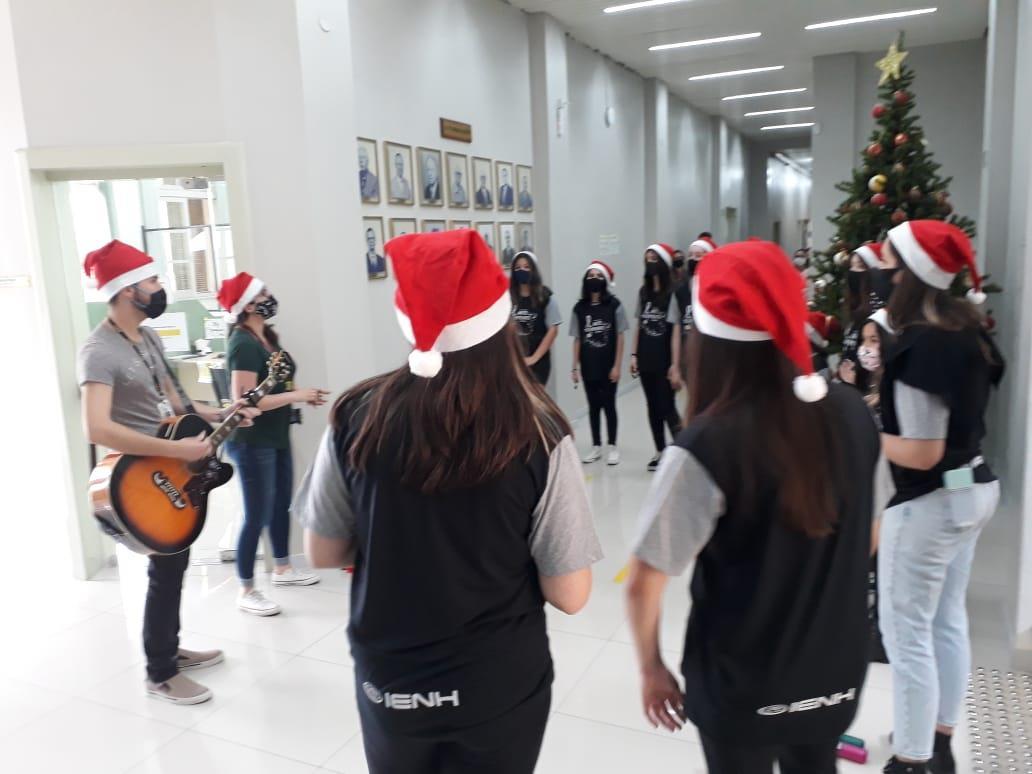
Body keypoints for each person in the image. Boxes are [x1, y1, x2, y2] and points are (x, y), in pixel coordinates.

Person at [296, 229, 602, 774]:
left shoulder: (355, 415)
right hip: (498, 685)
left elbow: (321, 549)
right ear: (502, 321)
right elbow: (570, 593)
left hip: (391, 684)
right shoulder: (540, 432)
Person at [626, 239, 892, 774]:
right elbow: (870, 534)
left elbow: (644, 582)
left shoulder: (705, 445)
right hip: (834, 675)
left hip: (740, 686)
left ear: (709, 339)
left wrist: (651, 668)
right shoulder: (854, 414)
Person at [78, 240, 260, 705]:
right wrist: (171, 447)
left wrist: (224, 412)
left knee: (172, 567)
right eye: (153, 281)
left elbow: (178, 406)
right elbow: (96, 426)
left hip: (170, 468)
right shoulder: (98, 350)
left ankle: (168, 650)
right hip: (139, 480)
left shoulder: (151, 338)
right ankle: (160, 673)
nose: (161, 288)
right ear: (125, 289)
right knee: (166, 569)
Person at [876, 221, 1004, 774]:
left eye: (892, 265)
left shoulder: (920, 345)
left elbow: (922, 451)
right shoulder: (965, 329)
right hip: (974, 488)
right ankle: (940, 737)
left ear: (910, 275)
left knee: (907, 635)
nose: (885, 275)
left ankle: (912, 760)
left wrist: (862, 432)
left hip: (932, 501)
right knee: (947, 620)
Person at [217, 272, 329, 616]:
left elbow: (274, 387)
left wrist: (295, 398)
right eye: (262, 293)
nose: (269, 296)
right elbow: (243, 401)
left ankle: (282, 568)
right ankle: (246, 588)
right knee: (256, 514)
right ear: (247, 304)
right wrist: (298, 395)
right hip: (252, 440)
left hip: (276, 434)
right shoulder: (243, 344)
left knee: (281, 502)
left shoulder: (266, 338)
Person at [571, 260, 627, 466]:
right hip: (588, 366)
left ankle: (612, 445)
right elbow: (577, 338)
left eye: (598, 276)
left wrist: (617, 366)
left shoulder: (614, 306)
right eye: (590, 276)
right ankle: (596, 445)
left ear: (604, 280)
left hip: (608, 365)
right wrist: (574, 366)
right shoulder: (579, 308)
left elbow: (620, 336)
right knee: (593, 406)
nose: (593, 279)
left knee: (609, 405)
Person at [632, 243, 682, 471]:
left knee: (667, 406)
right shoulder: (643, 293)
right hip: (645, 357)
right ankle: (660, 450)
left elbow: (675, 332)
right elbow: (639, 325)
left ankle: (682, 451)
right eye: (647, 258)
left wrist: (675, 364)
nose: (650, 262)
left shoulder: (673, 293)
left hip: (664, 358)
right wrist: (633, 355)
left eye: (654, 258)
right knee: (652, 406)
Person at [669, 236, 717, 390]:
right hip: (689, 357)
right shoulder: (680, 292)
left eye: (698, 255)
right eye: (690, 255)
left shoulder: (717, 290)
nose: (693, 259)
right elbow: (677, 330)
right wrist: (675, 365)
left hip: (712, 358)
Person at [510, 251, 562, 385]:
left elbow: (553, 330)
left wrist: (534, 358)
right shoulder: (508, 298)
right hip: (515, 361)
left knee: (535, 403)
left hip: (538, 361)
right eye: (518, 268)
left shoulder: (545, 296)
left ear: (534, 270)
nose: (522, 270)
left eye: (527, 267)